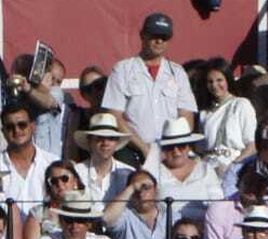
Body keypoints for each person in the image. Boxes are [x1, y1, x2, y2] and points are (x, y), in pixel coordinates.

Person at [102, 13, 198, 148]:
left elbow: (186, 116)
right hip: (132, 150)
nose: (159, 41)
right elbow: (114, 116)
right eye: (154, 36)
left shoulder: (178, 73)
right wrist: (143, 148)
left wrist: (174, 146)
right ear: (142, 35)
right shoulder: (122, 70)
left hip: (170, 151)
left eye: (164, 37)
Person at [198, 65, 258, 177]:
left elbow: (252, 145)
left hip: (234, 168)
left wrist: (232, 167)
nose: (214, 85)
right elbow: (201, 150)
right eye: (210, 82)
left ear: (228, 80)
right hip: (208, 170)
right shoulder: (204, 113)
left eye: (219, 80)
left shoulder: (241, 105)